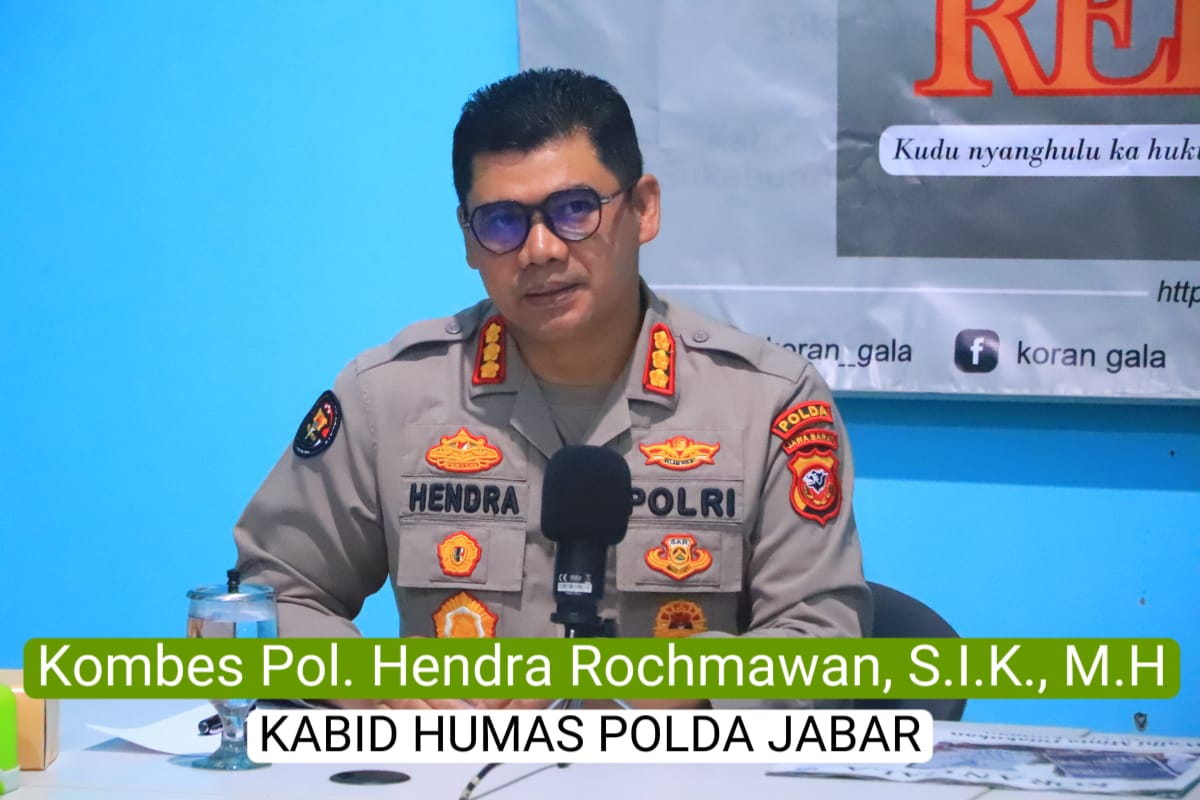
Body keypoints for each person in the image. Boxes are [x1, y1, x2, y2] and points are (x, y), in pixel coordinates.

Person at [233, 67, 871, 709]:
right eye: (501, 221)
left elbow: (823, 638)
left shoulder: (766, 402)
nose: (539, 250)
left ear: (644, 209)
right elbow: (269, 602)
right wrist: (380, 688)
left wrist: (675, 698)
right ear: (468, 239)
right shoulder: (388, 397)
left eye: (574, 210)